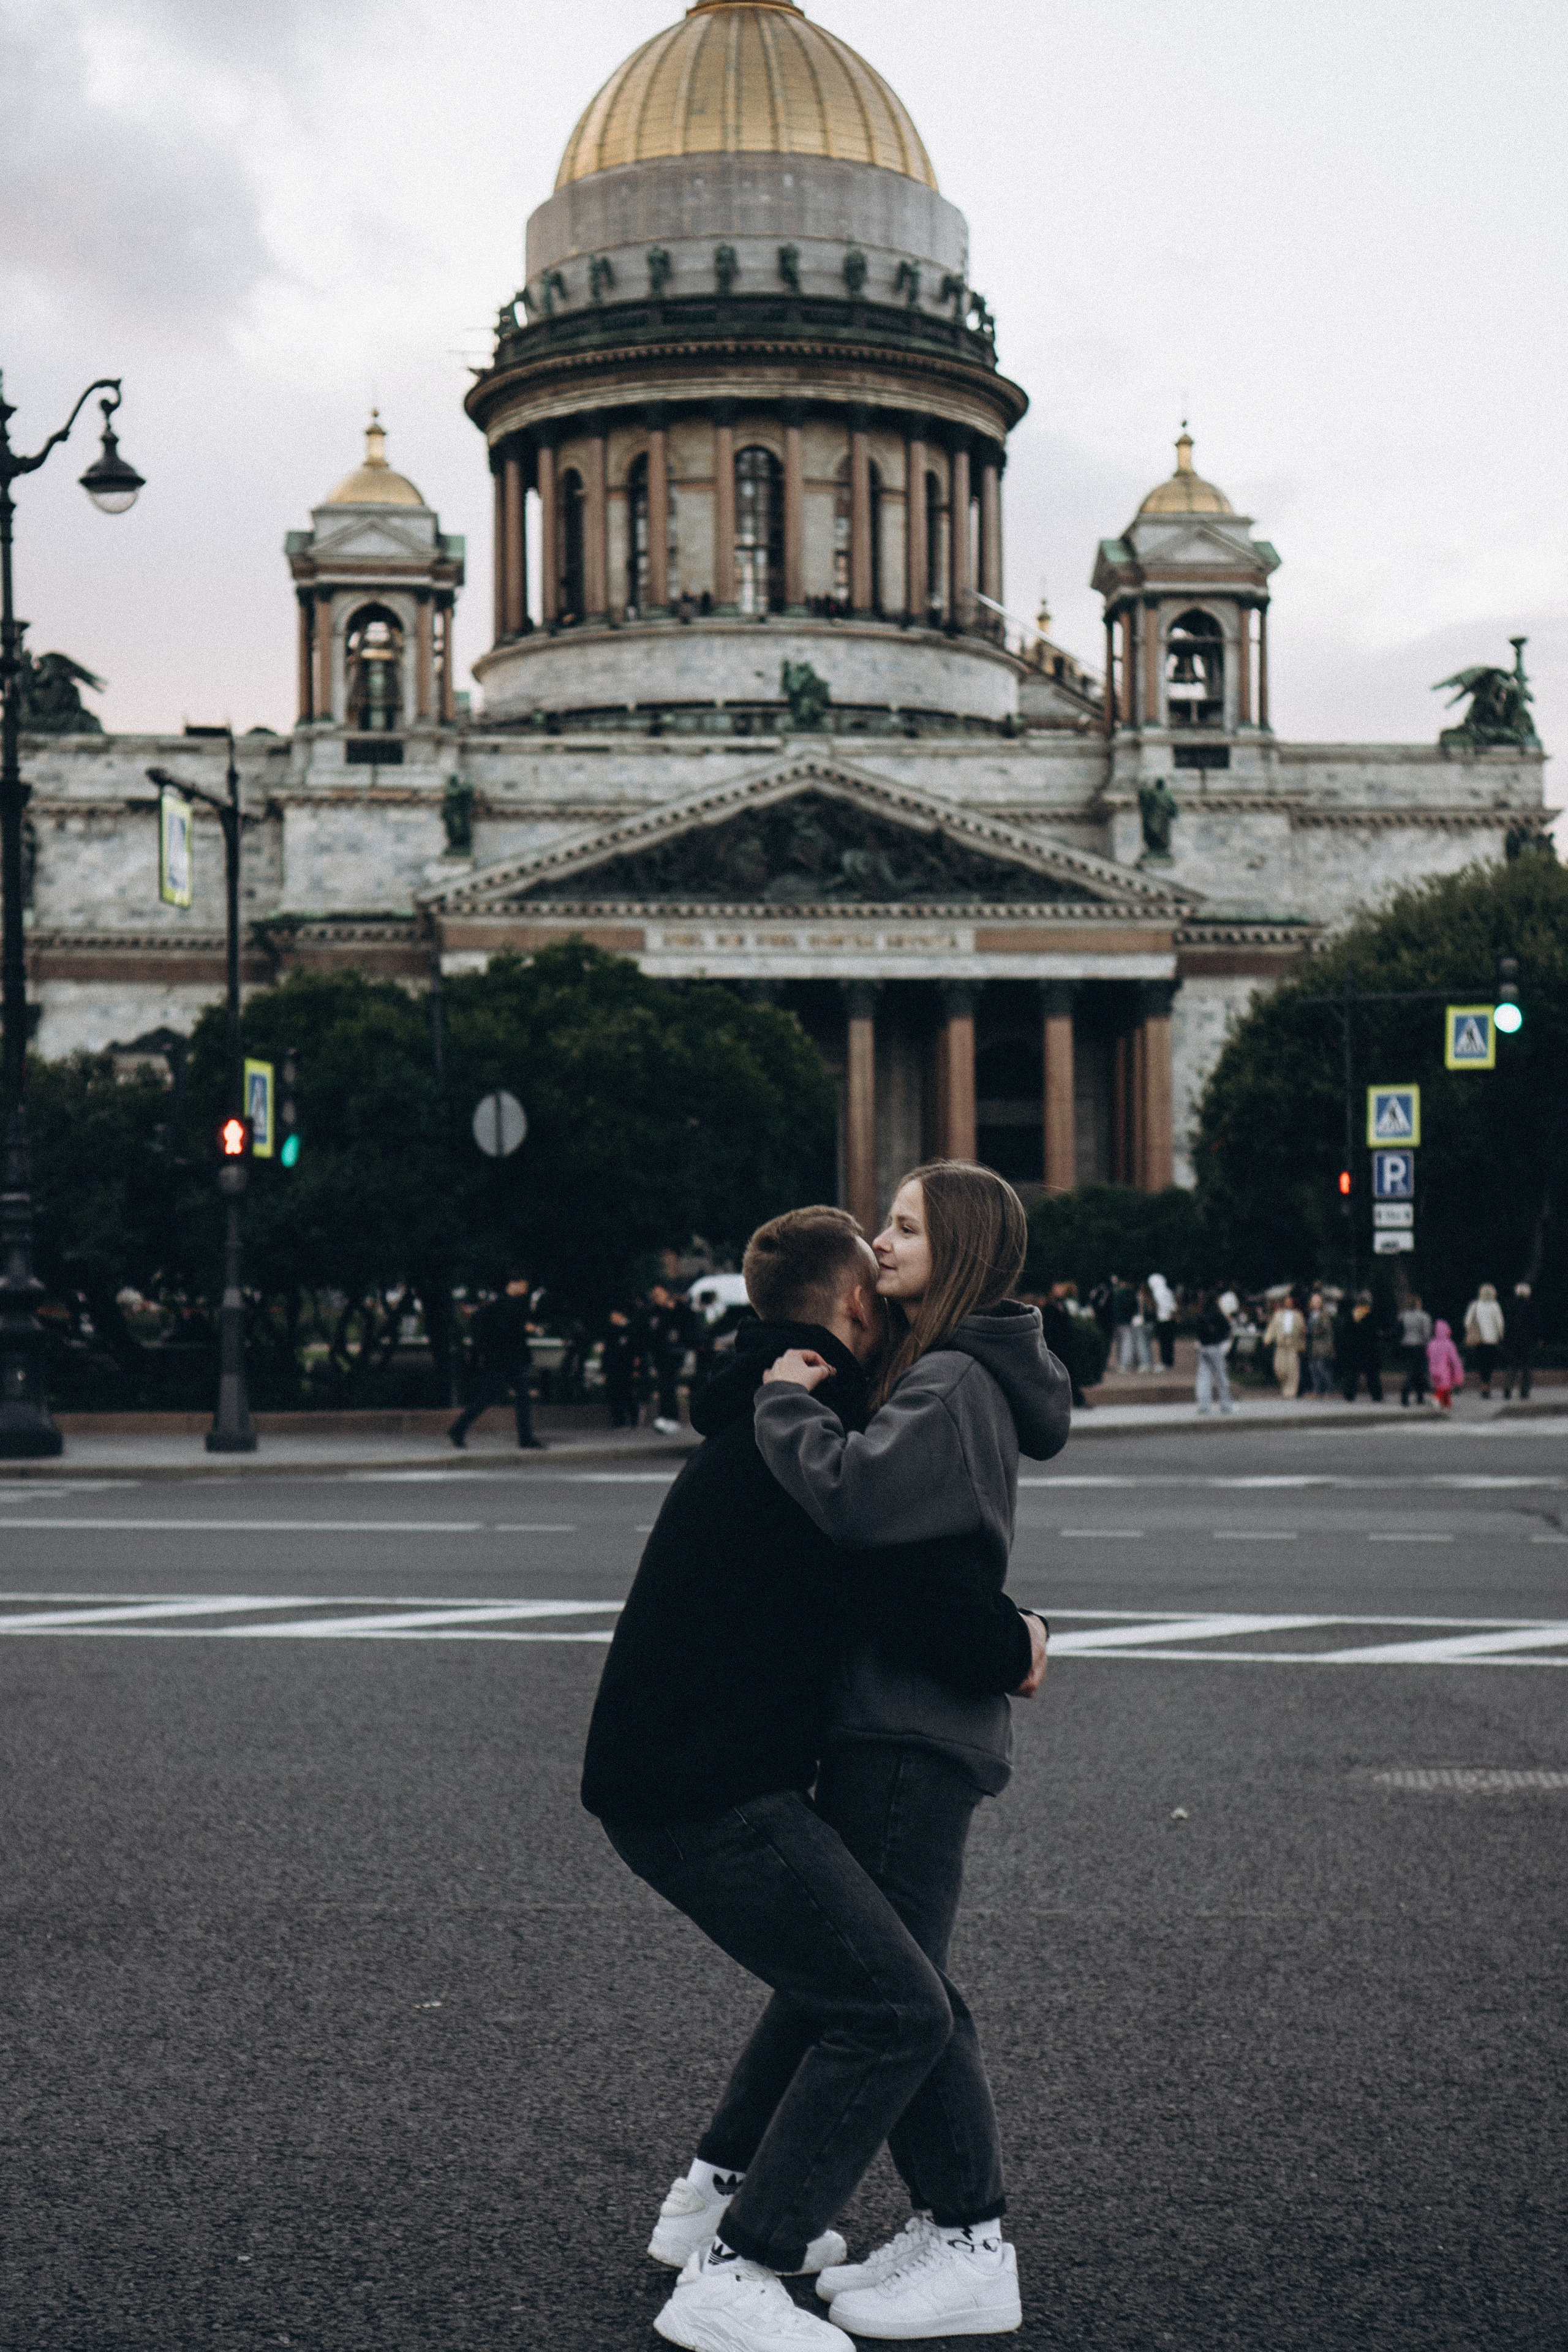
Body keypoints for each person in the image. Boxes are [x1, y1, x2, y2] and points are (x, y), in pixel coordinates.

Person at [583, 1202, 1054, 2352]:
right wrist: (1020, 1643)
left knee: (852, 1977)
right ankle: (739, 2270)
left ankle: (718, 2201)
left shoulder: (770, 1401)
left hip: (686, 1773)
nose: (890, 1265)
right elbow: (898, 1585)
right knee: (897, 2004)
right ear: (852, 1306)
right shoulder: (816, 1418)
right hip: (709, 1788)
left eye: (910, 1227)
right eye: (879, 1246)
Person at [747, 1161, 1071, 2343]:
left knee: (904, 1996)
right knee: (895, 1984)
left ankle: (969, 2233)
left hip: (908, 1725)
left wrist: (783, 1401)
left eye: (905, 1227)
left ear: (966, 1249)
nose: (879, 1242)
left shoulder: (948, 1381)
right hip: (912, 1718)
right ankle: (941, 2228)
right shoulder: (960, 1375)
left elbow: (857, 1503)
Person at [447, 1275, 543, 1449]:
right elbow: (505, 1331)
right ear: (512, 1284)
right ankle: (525, 1439)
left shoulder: (503, 1304)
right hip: (507, 1361)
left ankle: (459, 1429)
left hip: (504, 1360)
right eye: (523, 1285)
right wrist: (525, 1329)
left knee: (503, 1397)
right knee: (509, 1397)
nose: (525, 1290)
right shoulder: (504, 1306)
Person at [644, 1283, 696, 1434]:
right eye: (656, 1296)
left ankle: (671, 1417)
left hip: (675, 1354)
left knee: (668, 1384)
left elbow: (688, 1327)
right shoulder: (655, 1313)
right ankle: (666, 1417)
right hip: (660, 1355)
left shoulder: (678, 1310)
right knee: (664, 1385)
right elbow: (652, 1332)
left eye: (660, 1295)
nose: (658, 1298)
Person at [1039, 1280, 1093, 1408]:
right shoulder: (1050, 1307)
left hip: (1066, 1346)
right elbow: (1050, 1329)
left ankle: (1077, 1400)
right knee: (1060, 1375)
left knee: (1070, 1374)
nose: (1061, 1289)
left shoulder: (1061, 1305)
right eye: (1058, 1287)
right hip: (1057, 1347)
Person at [1337, 1291, 1384, 1403]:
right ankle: (1377, 1395)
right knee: (1372, 1375)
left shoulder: (1352, 1315)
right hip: (1369, 1349)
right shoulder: (1371, 1315)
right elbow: (1375, 1333)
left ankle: (1349, 1395)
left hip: (1354, 1349)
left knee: (1353, 1374)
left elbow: (1346, 1333)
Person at [1194, 1291, 1234, 1413]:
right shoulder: (1218, 1313)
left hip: (1204, 1347)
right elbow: (1227, 1329)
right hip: (1215, 1346)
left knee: (1203, 1376)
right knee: (1221, 1376)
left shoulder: (1203, 1313)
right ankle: (1226, 1405)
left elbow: (1198, 1330)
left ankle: (1204, 1405)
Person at [601, 1306, 641, 1429]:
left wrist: (636, 1369)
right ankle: (619, 1420)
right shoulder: (611, 1331)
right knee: (614, 1394)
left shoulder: (631, 1330)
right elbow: (607, 1352)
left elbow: (636, 1352)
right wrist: (605, 1370)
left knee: (627, 1393)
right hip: (613, 1368)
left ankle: (634, 1417)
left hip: (626, 1368)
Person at [1463, 1283, 1506, 1398]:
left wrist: (1473, 1332)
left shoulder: (1475, 1305)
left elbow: (1467, 1322)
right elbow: (1500, 1323)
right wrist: (1501, 1335)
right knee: (1489, 1364)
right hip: (1492, 1340)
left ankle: (1483, 1386)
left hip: (1479, 1340)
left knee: (1481, 1364)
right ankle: (1487, 1386)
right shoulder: (1495, 1306)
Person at [1262, 1294, 1305, 1398]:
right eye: (1286, 1301)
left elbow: (1302, 1331)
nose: (1288, 1303)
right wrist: (1267, 1339)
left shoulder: (1298, 1315)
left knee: (1292, 1369)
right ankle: (1285, 1385)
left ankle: (1291, 1391)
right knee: (1279, 1368)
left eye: (1290, 1301)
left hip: (1293, 1345)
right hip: (1281, 1345)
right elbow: (1272, 1328)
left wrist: (1303, 1344)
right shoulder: (1278, 1315)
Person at [1504, 1282, 1539, 1400]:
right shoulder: (1532, 1305)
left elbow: (1507, 1324)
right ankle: (1524, 1392)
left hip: (1512, 1340)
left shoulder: (1510, 1305)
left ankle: (1508, 1389)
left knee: (1512, 1365)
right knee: (1527, 1367)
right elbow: (1536, 1325)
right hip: (1528, 1341)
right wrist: (1538, 1339)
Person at [1398, 1295, 1433, 1406]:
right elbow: (1427, 1333)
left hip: (1406, 1345)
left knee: (1414, 1370)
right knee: (1417, 1371)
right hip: (1419, 1346)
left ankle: (1420, 1396)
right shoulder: (1424, 1316)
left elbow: (1400, 1330)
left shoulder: (1403, 1316)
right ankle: (1407, 1391)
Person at [1428, 1316, 1464, 1412]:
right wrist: (1458, 1371)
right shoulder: (1448, 1344)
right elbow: (1454, 1359)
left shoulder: (1432, 1343)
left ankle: (1446, 1405)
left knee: (1441, 1387)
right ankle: (1436, 1399)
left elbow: (1429, 1354)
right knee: (1445, 1386)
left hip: (1433, 1369)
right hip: (1445, 1369)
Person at [1304, 1291, 1336, 1396]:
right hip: (1313, 1346)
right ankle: (1317, 1390)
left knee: (1322, 1368)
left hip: (1322, 1346)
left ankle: (1329, 1390)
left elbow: (1326, 1329)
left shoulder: (1324, 1315)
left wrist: (1314, 1331)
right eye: (1314, 1301)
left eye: (1318, 1301)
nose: (1315, 1303)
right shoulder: (1312, 1314)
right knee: (1313, 1369)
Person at [1147, 1270, 1178, 1369]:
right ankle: (1169, 1362)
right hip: (1170, 1319)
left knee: (1164, 1342)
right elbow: (1173, 1305)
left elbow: (1162, 1306)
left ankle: (1165, 1362)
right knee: (1169, 1342)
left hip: (1163, 1319)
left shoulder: (1158, 1292)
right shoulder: (1167, 1291)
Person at [1109, 1272, 1139, 1371]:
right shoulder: (1129, 1292)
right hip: (1126, 1321)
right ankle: (1124, 1365)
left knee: (1120, 1344)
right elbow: (1134, 1307)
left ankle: (1120, 1364)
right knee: (1127, 1343)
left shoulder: (1114, 1292)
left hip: (1115, 1321)